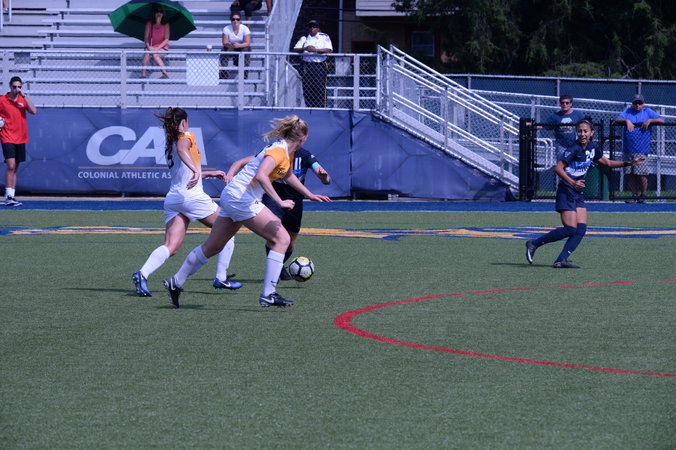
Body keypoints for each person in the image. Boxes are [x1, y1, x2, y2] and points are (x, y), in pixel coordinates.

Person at [163, 115, 331, 308]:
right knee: (282, 239)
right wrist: (279, 201)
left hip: (233, 196)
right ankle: (268, 294)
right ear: (303, 138)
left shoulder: (286, 151)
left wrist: (309, 194)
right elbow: (261, 176)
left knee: (213, 246)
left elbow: (287, 175)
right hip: (242, 198)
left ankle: (176, 281)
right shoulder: (278, 151)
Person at [132, 107, 242, 297]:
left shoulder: (170, 142)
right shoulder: (186, 136)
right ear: (183, 122)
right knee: (228, 229)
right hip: (191, 197)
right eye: (187, 121)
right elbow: (183, 151)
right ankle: (221, 278)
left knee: (171, 246)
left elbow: (183, 173)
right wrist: (197, 171)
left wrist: (206, 173)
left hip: (174, 199)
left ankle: (142, 274)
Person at [525, 118, 645, 269]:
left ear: (591, 133)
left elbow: (608, 163)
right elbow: (558, 168)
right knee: (570, 229)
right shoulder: (573, 149)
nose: (582, 134)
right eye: (580, 131)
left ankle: (561, 260)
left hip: (577, 192)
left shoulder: (592, 148)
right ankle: (534, 243)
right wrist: (572, 182)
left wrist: (629, 163)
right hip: (566, 191)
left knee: (581, 229)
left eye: (585, 131)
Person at [262, 147, 331, 280]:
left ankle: (278, 266)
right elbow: (250, 162)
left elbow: (325, 179)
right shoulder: (275, 151)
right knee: (277, 235)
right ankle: (274, 272)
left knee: (290, 242)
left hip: (295, 202)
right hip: (274, 198)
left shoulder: (305, 155)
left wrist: (324, 177)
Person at [614, 94, 664, 203]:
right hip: (628, 149)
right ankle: (634, 195)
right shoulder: (628, 111)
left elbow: (661, 120)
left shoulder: (647, 112)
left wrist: (650, 120)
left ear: (643, 104)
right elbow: (617, 119)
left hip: (641, 150)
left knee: (641, 174)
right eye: (635, 103)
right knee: (630, 174)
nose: (637, 105)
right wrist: (627, 121)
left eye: (640, 103)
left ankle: (643, 195)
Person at [0, 76, 37, 207]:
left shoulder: (22, 100)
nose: (17, 89)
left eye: (19, 87)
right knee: (10, 166)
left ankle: (12, 195)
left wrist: (24, 96)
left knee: (15, 167)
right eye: (14, 87)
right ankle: (8, 196)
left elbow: (33, 111)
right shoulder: (2, 100)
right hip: (7, 136)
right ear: (10, 86)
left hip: (21, 137)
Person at [293, 20, 333, 108]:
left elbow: (328, 49)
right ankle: (309, 107)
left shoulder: (324, 37)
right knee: (307, 88)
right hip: (306, 65)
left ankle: (321, 108)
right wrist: (305, 48)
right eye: (310, 27)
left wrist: (315, 50)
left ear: (318, 28)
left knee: (319, 88)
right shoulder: (304, 38)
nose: (312, 28)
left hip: (319, 65)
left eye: (314, 27)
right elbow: (296, 48)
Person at [544, 94, 584, 159]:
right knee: (561, 162)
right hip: (561, 145)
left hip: (575, 144)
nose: (565, 104)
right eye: (562, 103)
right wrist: (531, 125)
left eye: (567, 103)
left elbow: (586, 126)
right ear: (560, 104)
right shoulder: (555, 116)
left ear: (571, 104)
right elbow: (544, 125)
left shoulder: (578, 115)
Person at [141, 4, 170, 79]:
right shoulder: (149, 24)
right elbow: (146, 37)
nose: (159, 13)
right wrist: (149, 47)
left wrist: (157, 48)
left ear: (163, 14)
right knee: (147, 53)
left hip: (162, 47)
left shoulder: (166, 25)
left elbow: (166, 39)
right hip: (151, 46)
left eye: (161, 11)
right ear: (154, 13)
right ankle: (143, 74)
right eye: (157, 11)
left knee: (155, 54)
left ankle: (164, 73)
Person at [219, 13, 251, 80]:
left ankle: (245, 72)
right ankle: (224, 71)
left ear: (240, 20)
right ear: (231, 21)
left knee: (247, 49)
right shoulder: (226, 28)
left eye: (237, 19)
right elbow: (224, 42)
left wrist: (239, 45)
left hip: (242, 47)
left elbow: (247, 43)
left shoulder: (245, 28)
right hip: (232, 46)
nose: (235, 21)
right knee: (224, 50)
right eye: (233, 19)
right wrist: (231, 45)